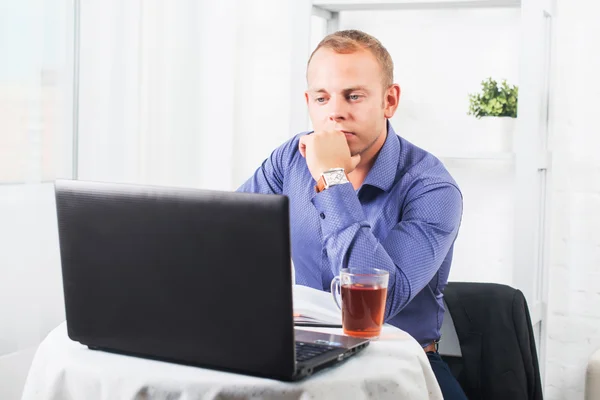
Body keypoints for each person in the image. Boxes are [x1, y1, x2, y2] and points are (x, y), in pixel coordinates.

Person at [238, 29, 466, 399]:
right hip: (308, 351)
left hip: (400, 363)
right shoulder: (290, 159)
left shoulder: (433, 188)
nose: (335, 112)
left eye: (354, 96)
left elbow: (374, 308)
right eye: (322, 98)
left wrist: (332, 179)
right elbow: (232, 234)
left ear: (389, 101)